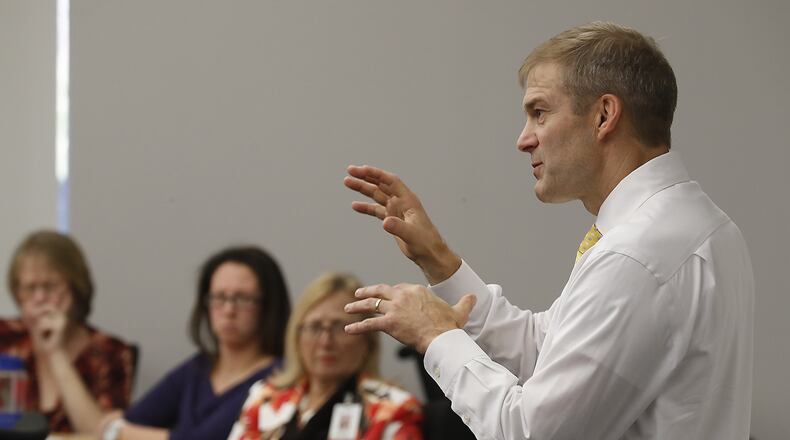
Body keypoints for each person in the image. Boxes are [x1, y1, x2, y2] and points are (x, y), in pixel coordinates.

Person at [342, 21, 754, 440]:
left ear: (604, 116)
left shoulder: (637, 255)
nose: (524, 140)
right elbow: (548, 351)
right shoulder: (696, 224)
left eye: (539, 112)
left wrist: (435, 335)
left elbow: (529, 433)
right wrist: (440, 263)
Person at [97, 246, 291, 440]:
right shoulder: (199, 367)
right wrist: (122, 429)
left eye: (243, 299)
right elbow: (131, 419)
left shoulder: (280, 376)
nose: (229, 310)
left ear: (268, 306)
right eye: (219, 297)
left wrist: (122, 433)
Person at [228, 272, 422, 440]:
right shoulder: (264, 399)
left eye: (339, 328)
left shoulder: (392, 408)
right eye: (315, 327)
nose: (325, 341)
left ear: (367, 341)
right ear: (296, 337)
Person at [0, 230, 135, 433]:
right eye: (29, 288)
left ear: (75, 288)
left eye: (49, 286)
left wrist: (56, 353)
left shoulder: (110, 351)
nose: (39, 298)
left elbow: (106, 435)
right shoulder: (5, 336)